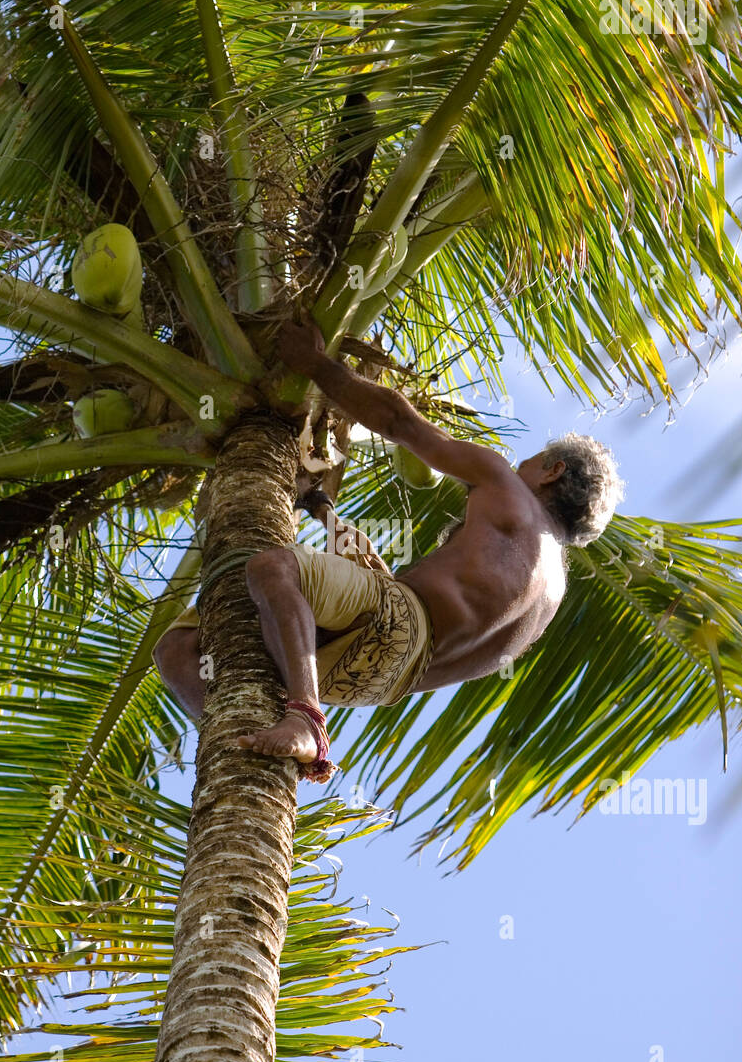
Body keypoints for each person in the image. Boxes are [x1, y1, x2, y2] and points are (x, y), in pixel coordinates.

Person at [154, 319, 624, 780]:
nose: (520, 464)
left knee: (272, 569)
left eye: (533, 460)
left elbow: (401, 422)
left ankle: (305, 719)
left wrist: (316, 364)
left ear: (553, 471)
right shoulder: (551, 597)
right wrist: (317, 505)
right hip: (380, 680)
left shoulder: (506, 486)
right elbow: (428, 624)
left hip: (393, 624)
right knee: (177, 648)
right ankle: (240, 747)